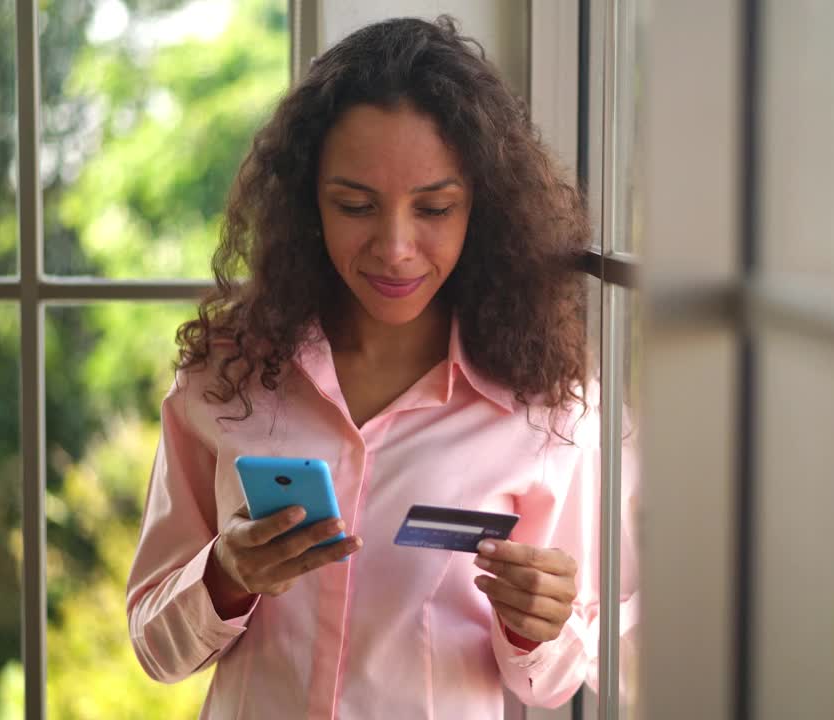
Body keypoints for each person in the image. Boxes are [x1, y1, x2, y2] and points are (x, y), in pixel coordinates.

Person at [126, 16, 638, 719]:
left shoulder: (548, 408)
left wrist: (536, 627)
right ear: (310, 203)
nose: (395, 248)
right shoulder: (228, 379)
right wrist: (227, 576)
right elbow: (155, 644)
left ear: (480, 210)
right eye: (355, 205)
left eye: (434, 207)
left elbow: (551, 681)